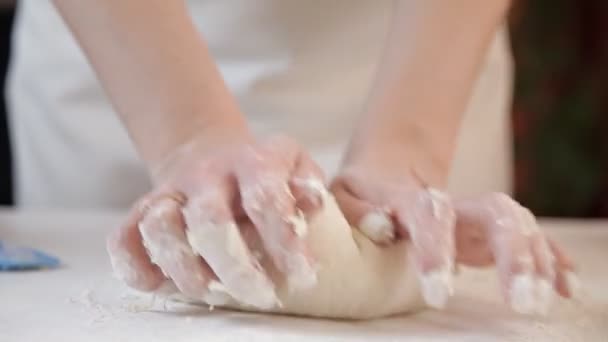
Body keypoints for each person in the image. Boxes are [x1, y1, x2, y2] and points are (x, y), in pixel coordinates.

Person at [7, 0, 576, 314]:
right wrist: (188, 137)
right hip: (127, 66)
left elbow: (411, 150)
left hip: (416, 64)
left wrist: (409, 149)